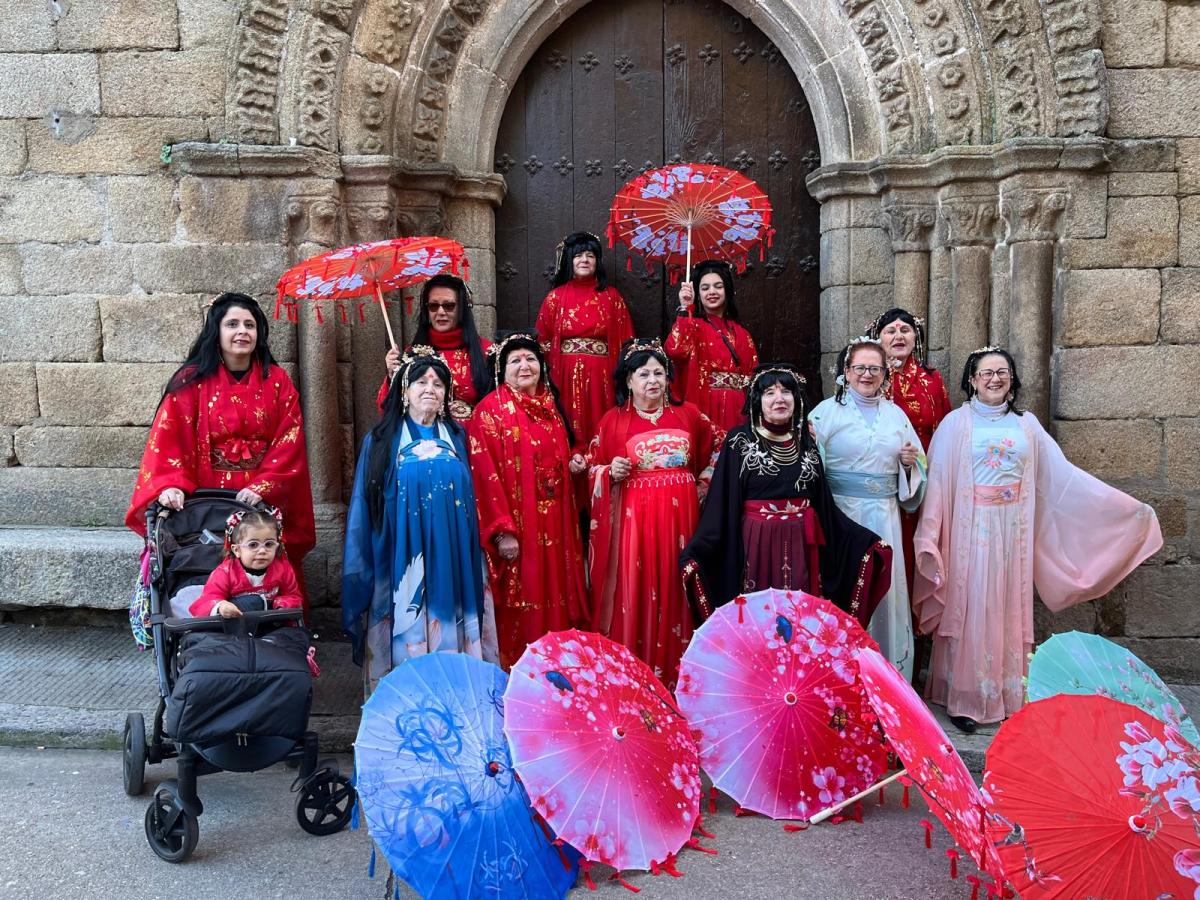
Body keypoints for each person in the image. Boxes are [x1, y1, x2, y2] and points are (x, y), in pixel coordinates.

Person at [913, 347, 1162, 733]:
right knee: (975, 604)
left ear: (1012, 380)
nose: (994, 378)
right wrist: (931, 536)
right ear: (971, 380)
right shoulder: (954, 424)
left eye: (1002, 372)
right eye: (986, 372)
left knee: (1007, 606)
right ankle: (966, 698)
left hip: (1014, 530)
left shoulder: (1027, 425)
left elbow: (1062, 478)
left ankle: (1009, 694)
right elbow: (940, 484)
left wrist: (1121, 508)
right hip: (972, 529)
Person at [126, 293, 316, 599]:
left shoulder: (278, 381)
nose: (242, 331)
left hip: (259, 492)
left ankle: (272, 625)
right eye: (232, 324)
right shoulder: (190, 381)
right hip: (207, 488)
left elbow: (289, 440)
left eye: (249, 325)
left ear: (259, 333)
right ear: (217, 332)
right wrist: (171, 484)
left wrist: (264, 485)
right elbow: (168, 438)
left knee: (263, 559)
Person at [681, 364, 892, 627]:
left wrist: (866, 544)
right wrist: (698, 551)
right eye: (769, 392)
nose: (779, 399)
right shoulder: (739, 441)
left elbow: (824, 506)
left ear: (797, 398)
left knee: (800, 620)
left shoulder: (806, 442)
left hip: (802, 547)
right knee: (760, 621)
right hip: (756, 545)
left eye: (786, 391)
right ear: (757, 401)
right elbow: (721, 504)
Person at [344, 347, 497, 692]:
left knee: (452, 620)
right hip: (403, 552)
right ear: (404, 390)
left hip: (454, 552)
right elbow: (364, 503)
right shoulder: (382, 440)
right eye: (420, 381)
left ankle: (457, 697)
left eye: (438, 383)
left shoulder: (458, 436)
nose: (430, 388)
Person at [588, 339, 719, 689]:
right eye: (643, 373)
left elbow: (719, 448)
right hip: (637, 519)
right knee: (639, 585)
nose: (652, 380)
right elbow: (590, 465)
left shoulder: (689, 414)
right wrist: (607, 471)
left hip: (683, 517)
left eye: (659, 372)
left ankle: (684, 674)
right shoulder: (613, 421)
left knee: (678, 584)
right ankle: (638, 675)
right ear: (628, 381)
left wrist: (702, 483)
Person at [467, 332, 589, 668]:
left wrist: (576, 460)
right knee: (523, 601)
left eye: (531, 358)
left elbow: (571, 446)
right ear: (501, 370)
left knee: (560, 595)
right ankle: (522, 676)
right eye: (515, 360)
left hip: (559, 524)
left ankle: (561, 672)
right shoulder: (489, 413)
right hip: (519, 526)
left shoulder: (553, 405)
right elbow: (484, 476)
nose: (525, 365)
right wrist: (503, 530)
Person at [810, 336, 925, 680]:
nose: (867, 374)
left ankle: (886, 676)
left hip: (885, 515)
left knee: (885, 589)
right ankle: (842, 675)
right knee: (847, 588)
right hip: (841, 516)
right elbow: (810, 463)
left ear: (886, 374)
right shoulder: (825, 412)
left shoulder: (897, 416)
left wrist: (908, 465)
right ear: (846, 370)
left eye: (875, 368)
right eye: (859, 367)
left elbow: (919, 462)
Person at [534, 231, 634, 446]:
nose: (584, 260)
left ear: (597, 261)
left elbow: (627, 341)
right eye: (578, 255)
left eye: (590, 255)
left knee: (602, 426)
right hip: (564, 374)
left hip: (602, 374)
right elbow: (541, 342)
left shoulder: (612, 297)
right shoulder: (555, 298)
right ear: (569, 261)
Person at [377, 274, 492, 421]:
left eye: (449, 306)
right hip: (427, 440)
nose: (441, 312)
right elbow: (387, 410)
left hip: (475, 438)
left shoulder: (487, 352)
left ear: (462, 309)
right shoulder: (412, 355)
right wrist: (393, 376)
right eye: (433, 306)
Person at [665, 260, 759, 432]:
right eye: (705, 288)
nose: (712, 292)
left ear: (727, 290)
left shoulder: (741, 333)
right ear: (698, 293)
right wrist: (685, 308)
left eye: (718, 286)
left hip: (737, 405)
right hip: (704, 402)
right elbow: (675, 350)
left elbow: (753, 376)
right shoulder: (692, 325)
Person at [190, 507, 302, 618]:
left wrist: (282, 606)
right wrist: (221, 606)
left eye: (269, 544)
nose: (262, 551)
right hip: (236, 622)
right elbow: (208, 598)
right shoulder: (225, 572)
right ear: (237, 550)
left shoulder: (283, 568)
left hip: (271, 620)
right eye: (253, 545)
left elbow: (292, 595)